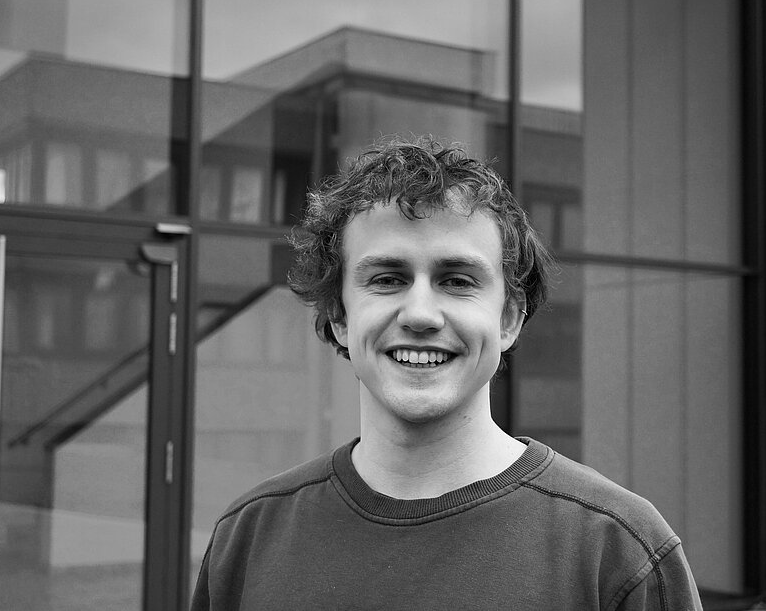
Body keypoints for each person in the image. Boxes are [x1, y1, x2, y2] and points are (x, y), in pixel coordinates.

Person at [190, 137, 702, 610]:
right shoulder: (249, 539)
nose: (420, 314)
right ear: (340, 317)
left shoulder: (618, 554)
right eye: (387, 279)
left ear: (508, 319)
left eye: (457, 281)